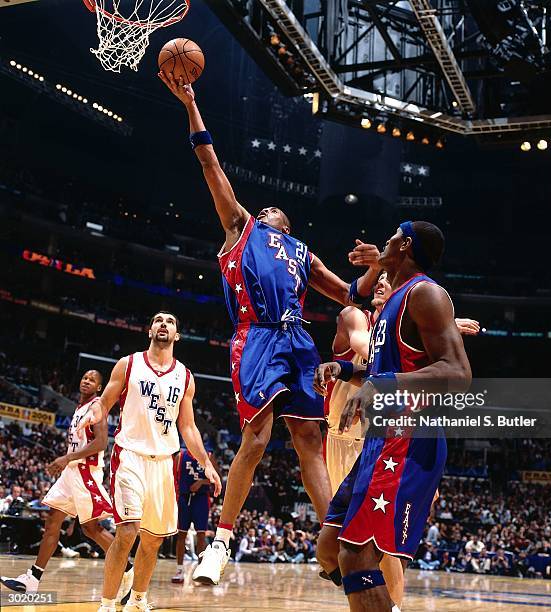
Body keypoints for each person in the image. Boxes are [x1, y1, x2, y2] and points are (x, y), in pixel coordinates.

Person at [159, 71, 382, 586]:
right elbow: (210, 162)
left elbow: (353, 294)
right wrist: (192, 104)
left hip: (299, 342)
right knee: (257, 439)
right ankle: (220, 542)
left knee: (308, 438)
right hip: (256, 337)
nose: (265, 208)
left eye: (272, 209)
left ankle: (334, 539)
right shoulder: (242, 228)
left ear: (288, 222)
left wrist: (373, 264)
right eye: (262, 208)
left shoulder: (303, 253)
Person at [315, 221, 472, 610]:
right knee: (330, 549)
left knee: (358, 554)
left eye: (389, 239)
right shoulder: (392, 303)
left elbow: (457, 371)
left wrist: (379, 385)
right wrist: (346, 371)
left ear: (405, 246)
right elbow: (387, 368)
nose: (382, 243)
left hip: (408, 438)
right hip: (379, 440)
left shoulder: (426, 293)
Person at [77, 312, 222, 612]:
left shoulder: (185, 376)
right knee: (128, 530)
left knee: (154, 539)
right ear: (150, 331)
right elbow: (104, 401)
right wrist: (94, 413)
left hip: (164, 462)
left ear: (177, 335)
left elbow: (189, 427)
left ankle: (138, 599)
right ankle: (106, 604)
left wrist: (206, 462)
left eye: (170, 321)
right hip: (129, 454)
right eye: (158, 320)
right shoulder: (128, 364)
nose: (164, 324)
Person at [1, 370, 133, 603]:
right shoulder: (79, 408)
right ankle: (32, 578)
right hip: (71, 471)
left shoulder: (97, 407)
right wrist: (68, 460)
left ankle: (128, 570)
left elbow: (101, 442)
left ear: (99, 388)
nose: (86, 381)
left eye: (92, 380)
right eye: (84, 377)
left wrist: (67, 458)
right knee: (52, 519)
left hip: (84, 472)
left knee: (92, 529)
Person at [171, 447, 218, 584]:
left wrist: (202, 482)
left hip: (201, 498)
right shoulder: (180, 456)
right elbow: (173, 477)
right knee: (181, 535)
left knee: (201, 535)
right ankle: (179, 570)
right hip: (184, 498)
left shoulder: (208, 455)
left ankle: (201, 570)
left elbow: (215, 478)